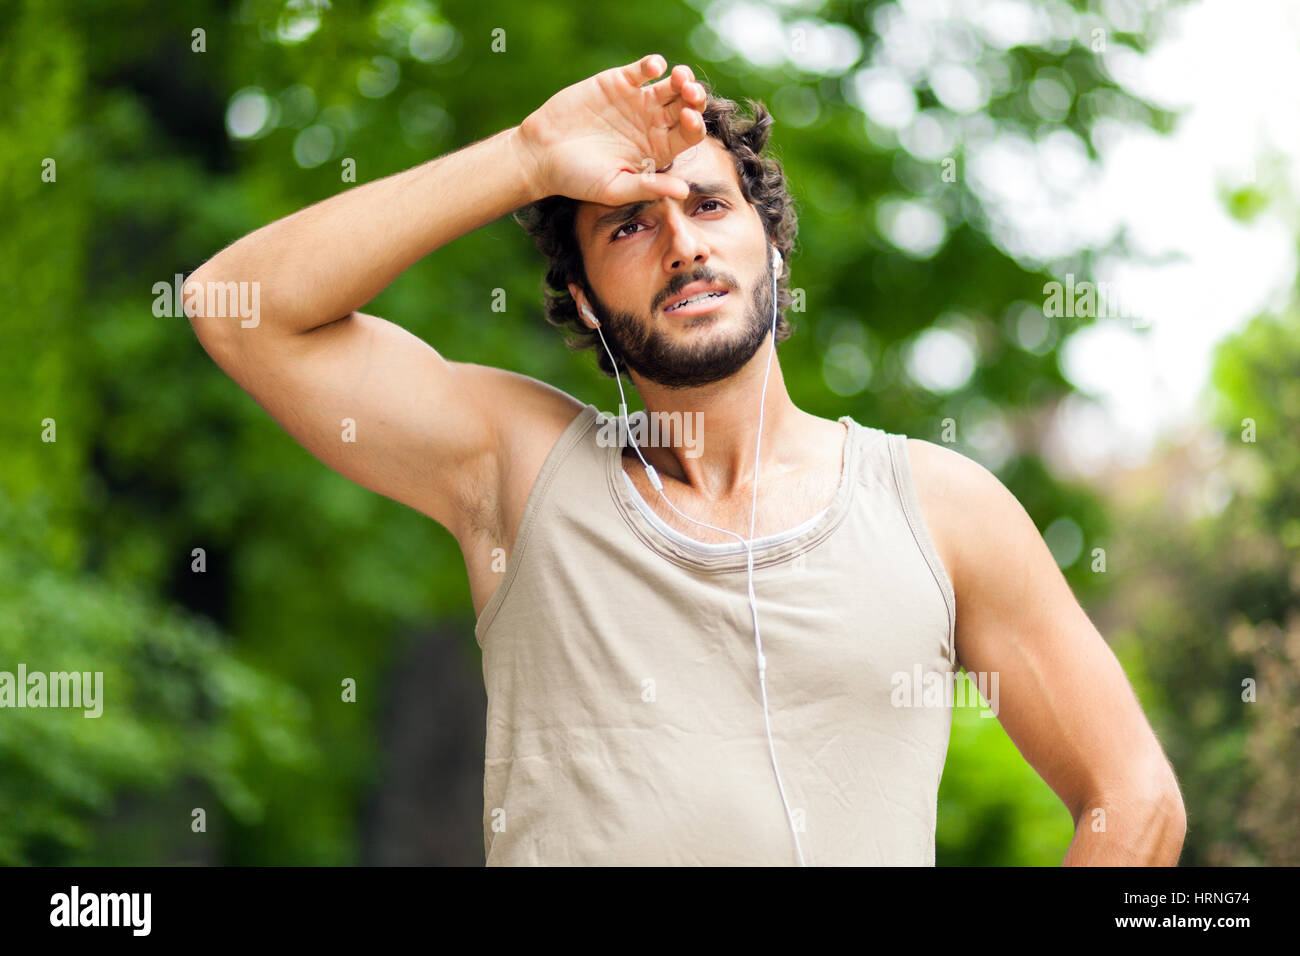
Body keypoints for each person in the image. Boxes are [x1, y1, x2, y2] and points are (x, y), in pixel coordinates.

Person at [185, 53, 1186, 866]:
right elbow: (241, 309)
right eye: (629, 221)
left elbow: (1134, 800)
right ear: (580, 298)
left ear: (771, 247)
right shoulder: (515, 466)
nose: (679, 241)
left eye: (708, 206)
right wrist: (530, 156)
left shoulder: (943, 507)